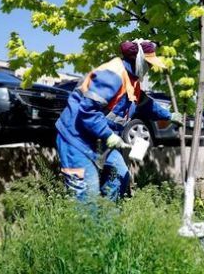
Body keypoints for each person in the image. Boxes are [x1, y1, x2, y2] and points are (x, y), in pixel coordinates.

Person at [55, 39, 183, 202]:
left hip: (99, 139)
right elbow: (88, 109)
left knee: (120, 176)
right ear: (137, 60)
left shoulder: (132, 80)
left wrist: (168, 115)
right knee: (86, 195)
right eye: (148, 64)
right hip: (75, 138)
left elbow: (145, 104)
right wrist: (108, 135)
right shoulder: (112, 75)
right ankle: (88, 224)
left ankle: (108, 220)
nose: (150, 68)